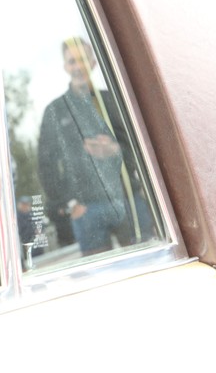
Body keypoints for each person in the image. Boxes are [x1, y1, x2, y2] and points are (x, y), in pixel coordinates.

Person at [37, 37, 152, 256]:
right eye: (72, 61)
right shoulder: (55, 111)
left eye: (82, 59)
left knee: (148, 264)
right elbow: (46, 166)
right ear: (65, 66)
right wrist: (69, 204)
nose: (77, 66)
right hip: (86, 210)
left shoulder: (114, 100)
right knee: (98, 272)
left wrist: (115, 151)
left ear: (93, 63)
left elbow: (141, 148)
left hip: (128, 200)